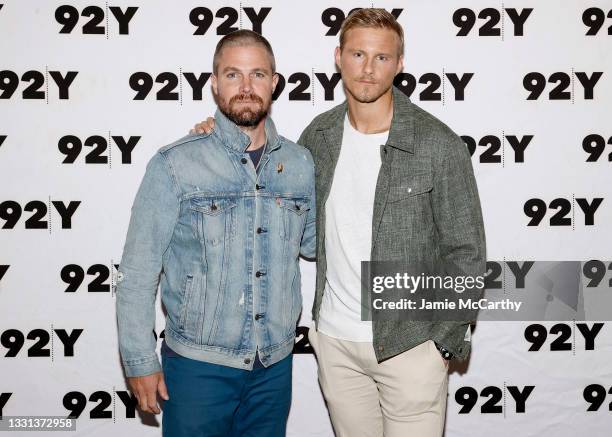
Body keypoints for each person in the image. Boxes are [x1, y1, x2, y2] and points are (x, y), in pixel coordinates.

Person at [193, 8, 486, 437]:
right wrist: (217, 135)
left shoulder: (436, 144)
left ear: (400, 64)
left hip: (410, 344)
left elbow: (467, 253)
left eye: (381, 58)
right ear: (338, 57)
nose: (367, 70)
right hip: (335, 343)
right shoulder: (320, 136)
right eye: (357, 55)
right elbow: (269, 171)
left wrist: (440, 341)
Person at [115, 30, 316, 437]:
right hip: (196, 368)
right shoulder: (176, 164)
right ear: (213, 82)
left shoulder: (299, 163)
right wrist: (139, 360)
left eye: (258, 75)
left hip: (273, 368)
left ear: (274, 83)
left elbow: (314, 243)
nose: (246, 88)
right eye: (232, 75)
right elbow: (137, 272)